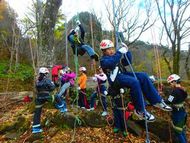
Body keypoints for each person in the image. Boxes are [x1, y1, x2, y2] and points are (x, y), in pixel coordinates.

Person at [99, 39, 172, 122]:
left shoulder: (115, 56)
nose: (111, 51)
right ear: (104, 51)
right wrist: (119, 53)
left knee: (143, 76)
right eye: (108, 49)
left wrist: (127, 52)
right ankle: (140, 110)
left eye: (112, 48)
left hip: (123, 75)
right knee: (134, 82)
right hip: (115, 79)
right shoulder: (103, 60)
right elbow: (110, 64)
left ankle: (157, 101)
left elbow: (127, 62)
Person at [32, 67, 55, 133]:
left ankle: (35, 128)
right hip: (46, 96)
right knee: (57, 99)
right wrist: (52, 84)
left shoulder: (38, 80)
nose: (47, 74)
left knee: (37, 113)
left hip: (39, 98)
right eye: (47, 73)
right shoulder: (47, 80)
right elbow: (52, 87)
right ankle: (63, 109)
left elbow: (37, 89)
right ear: (45, 73)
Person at [166, 74, 187, 143]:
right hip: (183, 112)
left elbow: (168, 101)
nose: (170, 85)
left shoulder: (175, 91)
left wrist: (160, 99)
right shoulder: (183, 90)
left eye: (170, 83)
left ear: (174, 82)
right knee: (182, 130)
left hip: (177, 113)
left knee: (178, 131)